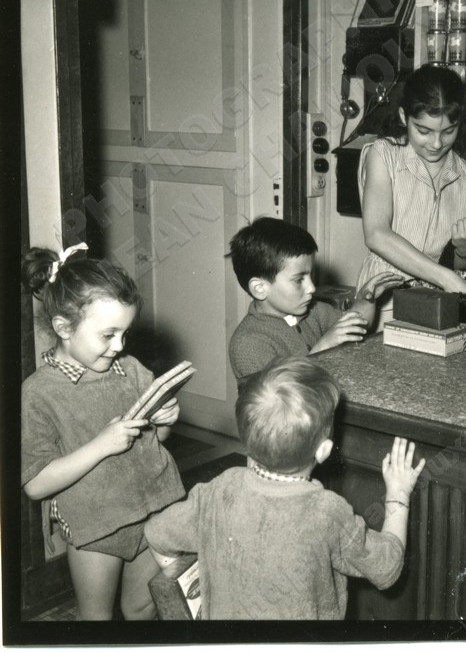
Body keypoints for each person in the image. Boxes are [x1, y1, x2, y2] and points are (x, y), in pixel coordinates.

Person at [145, 355, 426, 619]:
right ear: (324, 451)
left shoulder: (219, 489)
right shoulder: (327, 512)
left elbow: (155, 532)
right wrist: (398, 495)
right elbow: (386, 567)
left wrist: (188, 581)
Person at [20, 243, 185, 620]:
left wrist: (163, 423)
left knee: (142, 608)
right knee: (96, 619)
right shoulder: (39, 393)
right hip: (97, 526)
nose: (119, 346)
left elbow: (151, 444)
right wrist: (101, 445)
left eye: (125, 333)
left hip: (155, 511)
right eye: (108, 335)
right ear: (63, 327)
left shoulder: (132, 369)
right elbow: (36, 484)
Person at [357, 64, 466, 316]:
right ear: (403, 117)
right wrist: (446, 278)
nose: (436, 143)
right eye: (424, 131)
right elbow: (376, 234)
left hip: (439, 308)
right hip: (382, 304)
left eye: (448, 131)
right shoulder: (384, 155)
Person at [227, 217, 402, 379]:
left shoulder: (314, 311)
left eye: (310, 276)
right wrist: (323, 348)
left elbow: (355, 327)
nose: (312, 288)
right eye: (299, 280)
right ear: (260, 289)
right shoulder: (248, 342)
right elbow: (278, 394)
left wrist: (366, 300)